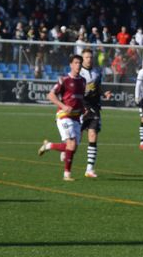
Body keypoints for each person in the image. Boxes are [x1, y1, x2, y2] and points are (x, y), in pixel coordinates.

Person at [37, 55, 86, 181]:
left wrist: (83, 109)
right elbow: (50, 95)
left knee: (72, 148)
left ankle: (49, 146)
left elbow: (80, 98)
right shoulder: (64, 80)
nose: (78, 65)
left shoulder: (83, 81)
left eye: (80, 63)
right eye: (76, 63)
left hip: (76, 117)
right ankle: (67, 175)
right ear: (70, 65)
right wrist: (63, 106)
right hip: (64, 116)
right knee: (71, 144)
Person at [79, 48, 111, 178]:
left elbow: (98, 88)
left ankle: (89, 169)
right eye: (86, 57)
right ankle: (65, 150)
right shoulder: (79, 73)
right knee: (76, 138)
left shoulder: (97, 72)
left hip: (94, 107)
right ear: (82, 59)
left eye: (90, 57)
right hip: (81, 108)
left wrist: (104, 93)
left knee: (93, 135)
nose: (89, 59)